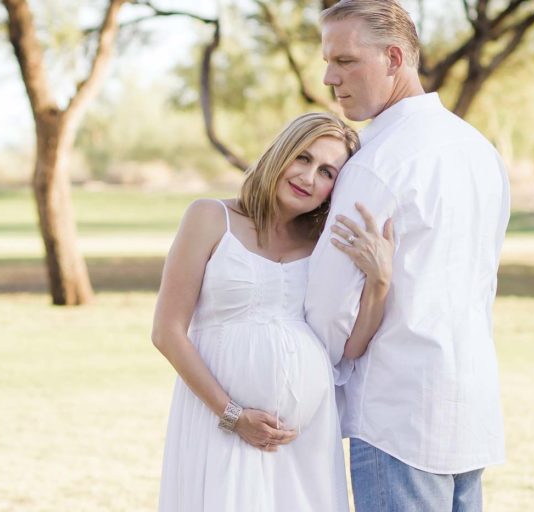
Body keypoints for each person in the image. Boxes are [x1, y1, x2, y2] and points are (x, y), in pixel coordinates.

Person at [304, 1, 511, 511]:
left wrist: (312, 373)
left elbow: (329, 307)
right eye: (328, 61)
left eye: (346, 61)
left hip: (397, 415)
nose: (330, 77)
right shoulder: (479, 151)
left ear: (394, 57)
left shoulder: (378, 164)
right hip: (470, 403)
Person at [151, 112, 394, 511]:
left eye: (327, 172)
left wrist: (380, 282)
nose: (309, 177)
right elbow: (167, 332)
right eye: (303, 158)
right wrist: (232, 414)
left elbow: (350, 348)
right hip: (221, 423)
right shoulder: (210, 217)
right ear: (280, 153)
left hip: (304, 437)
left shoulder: (324, 243)